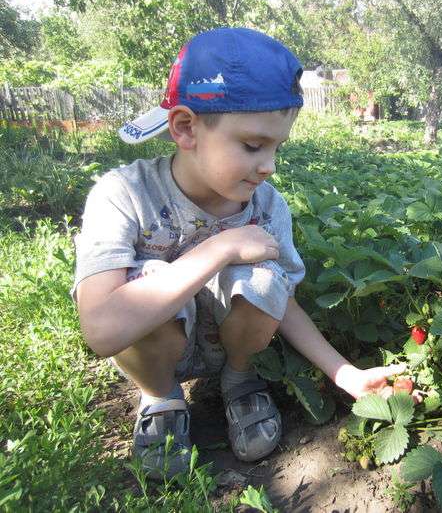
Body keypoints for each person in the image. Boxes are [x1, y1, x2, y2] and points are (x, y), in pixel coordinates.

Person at [71, 27, 412, 480]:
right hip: (152, 349)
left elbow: (280, 300)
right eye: (253, 146)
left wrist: (343, 373)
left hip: (229, 344)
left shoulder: (267, 206)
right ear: (186, 127)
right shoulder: (123, 194)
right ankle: (161, 398)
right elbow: (102, 329)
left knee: (266, 275)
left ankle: (239, 381)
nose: (268, 165)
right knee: (144, 279)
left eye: (276, 147)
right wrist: (223, 245)